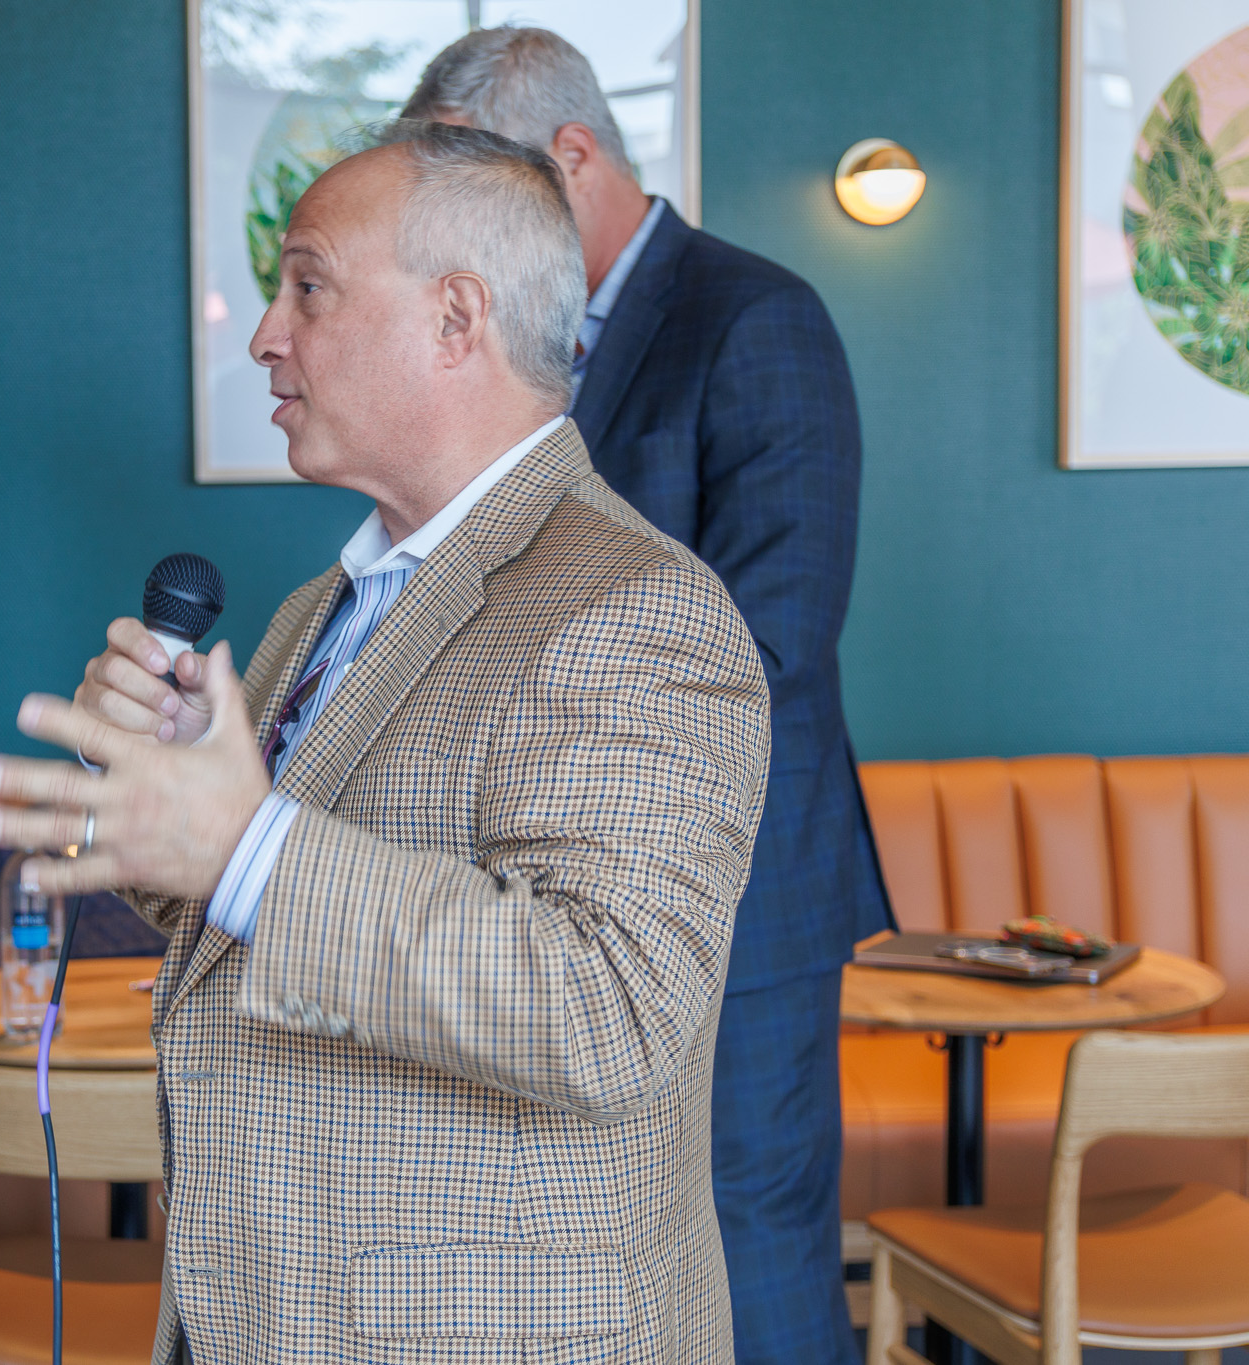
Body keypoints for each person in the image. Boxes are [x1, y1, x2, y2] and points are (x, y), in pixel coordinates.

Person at [0, 121, 770, 1363]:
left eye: (307, 285)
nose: (264, 334)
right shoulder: (319, 609)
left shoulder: (635, 606)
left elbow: (610, 1010)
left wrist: (246, 842)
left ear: (456, 319)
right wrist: (171, 796)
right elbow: (237, 911)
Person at [401, 27, 893, 1365]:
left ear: (575, 156)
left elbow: (773, 638)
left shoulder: (756, 317)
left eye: (486, 191)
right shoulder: (517, 342)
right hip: (547, 900)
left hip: (739, 894)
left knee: (750, 1235)